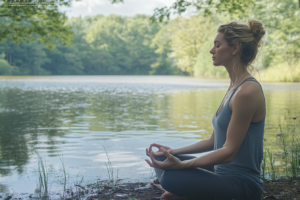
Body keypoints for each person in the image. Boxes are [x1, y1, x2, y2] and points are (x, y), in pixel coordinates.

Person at [145, 18, 266, 200]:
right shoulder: (234, 87)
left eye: (217, 45)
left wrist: (182, 166)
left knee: (171, 176)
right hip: (221, 174)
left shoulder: (247, 92)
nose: (212, 50)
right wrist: (172, 152)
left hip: (243, 185)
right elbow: (213, 141)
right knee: (162, 160)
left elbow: (228, 152)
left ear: (235, 49)